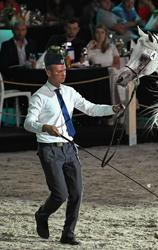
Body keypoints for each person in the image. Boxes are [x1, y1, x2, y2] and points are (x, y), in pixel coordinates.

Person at [23, 47, 124, 246]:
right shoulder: (39, 97)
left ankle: (68, 234)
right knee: (60, 194)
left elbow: (90, 108)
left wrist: (111, 109)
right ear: (48, 72)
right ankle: (42, 215)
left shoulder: (69, 92)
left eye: (64, 70)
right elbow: (28, 123)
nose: (63, 74)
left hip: (69, 148)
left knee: (77, 193)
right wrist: (44, 127)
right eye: (59, 71)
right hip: (49, 149)